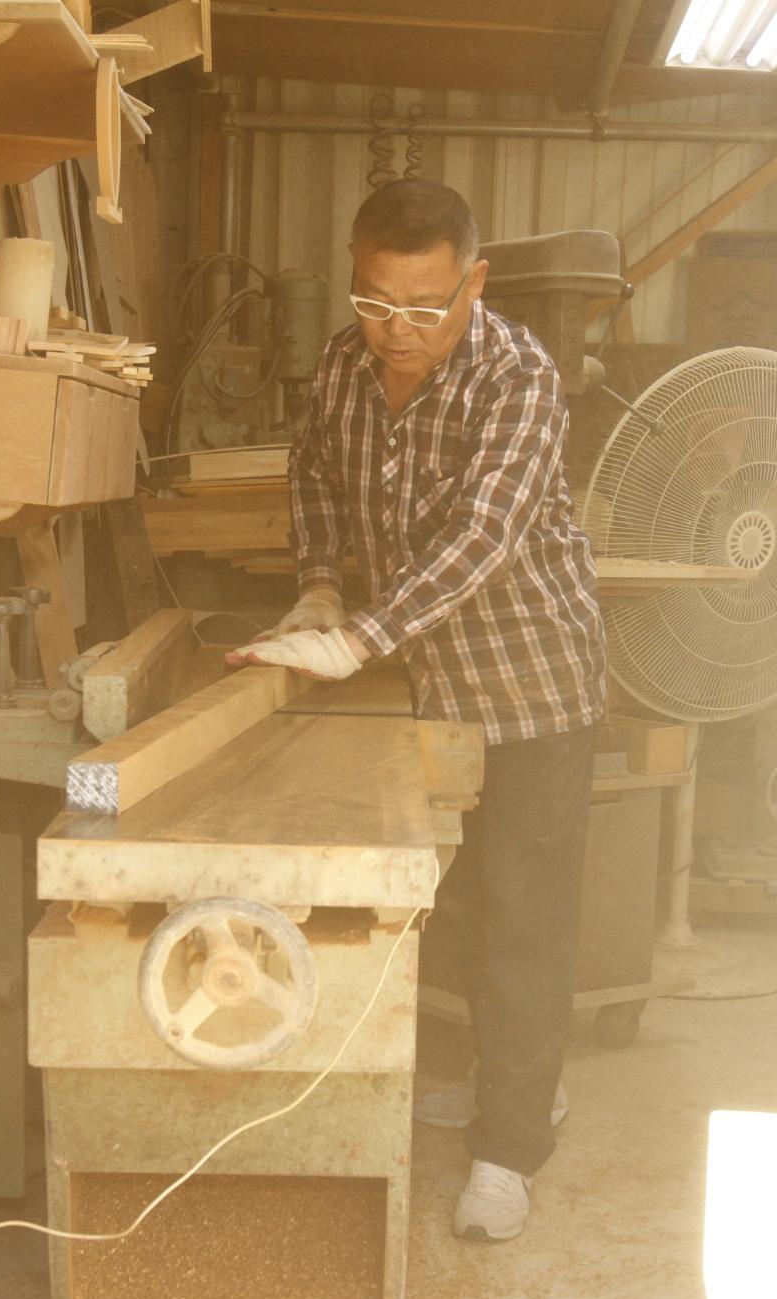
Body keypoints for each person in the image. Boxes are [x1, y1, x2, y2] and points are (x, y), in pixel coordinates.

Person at [231, 179, 606, 1241]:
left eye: (426, 307)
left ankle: (510, 1147)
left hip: (531, 679)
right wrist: (318, 584)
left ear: (473, 283)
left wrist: (356, 637)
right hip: (427, 680)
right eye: (375, 302)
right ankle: (513, 1084)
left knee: (526, 917)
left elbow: (483, 537)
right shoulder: (344, 366)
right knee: (464, 903)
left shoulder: (518, 376)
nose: (397, 331)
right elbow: (312, 471)